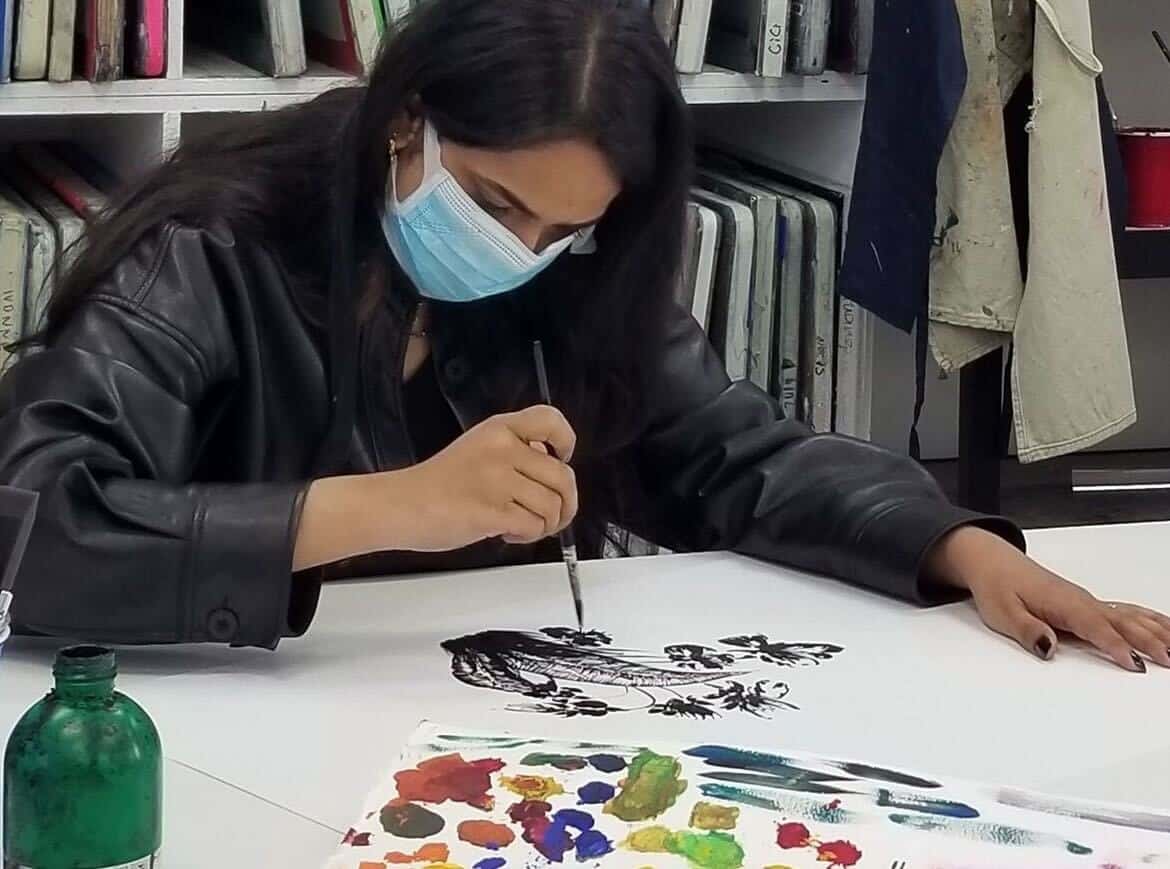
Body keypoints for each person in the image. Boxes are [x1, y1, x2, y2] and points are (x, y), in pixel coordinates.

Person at [0, 0, 1165, 672]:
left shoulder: (574, 274)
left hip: (458, 716)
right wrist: (386, 506)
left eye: (563, 227)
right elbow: (33, 520)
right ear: (407, 120)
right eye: (495, 203)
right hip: (220, 714)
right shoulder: (211, 249)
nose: (518, 250)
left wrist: (961, 548)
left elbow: (736, 455)